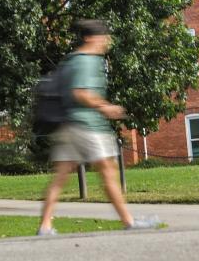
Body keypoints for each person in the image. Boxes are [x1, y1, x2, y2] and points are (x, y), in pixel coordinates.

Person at [38, 20, 158, 235]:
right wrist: (106, 107)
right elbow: (80, 92)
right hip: (88, 126)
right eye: (104, 36)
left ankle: (45, 225)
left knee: (60, 177)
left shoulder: (71, 61)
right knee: (108, 171)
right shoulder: (86, 61)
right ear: (90, 38)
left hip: (68, 125)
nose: (107, 40)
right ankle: (129, 221)